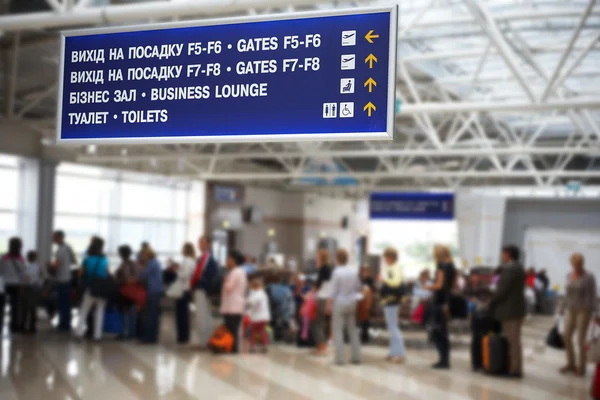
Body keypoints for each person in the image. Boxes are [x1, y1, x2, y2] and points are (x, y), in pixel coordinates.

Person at [489, 244, 526, 378]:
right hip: (516, 308)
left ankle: (515, 370)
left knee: (513, 341)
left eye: (503, 253)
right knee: (514, 340)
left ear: (508, 254)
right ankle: (514, 367)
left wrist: (491, 301)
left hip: (510, 309)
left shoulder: (510, 269)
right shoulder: (518, 267)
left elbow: (502, 290)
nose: (501, 256)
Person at [560, 253, 597, 377]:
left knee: (580, 339)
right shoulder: (569, 275)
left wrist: (597, 312)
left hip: (584, 310)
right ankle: (571, 363)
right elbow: (566, 293)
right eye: (574, 264)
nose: (576, 267)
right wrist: (562, 307)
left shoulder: (589, 276)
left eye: (579, 264)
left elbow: (593, 295)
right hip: (571, 309)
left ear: (582, 263)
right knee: (566, 335)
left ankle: (581, 368)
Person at [327, 248, 362, 366]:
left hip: (340, 302)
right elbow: (358, 287)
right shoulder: (354, 271)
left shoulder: (336, 272)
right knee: (352, 329)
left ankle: (340, 359)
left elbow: (332, 291)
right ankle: (356, 356)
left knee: (338, 329)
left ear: (337, 259)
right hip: (352, 301)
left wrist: (328, 304)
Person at [426, 244, 457, 369]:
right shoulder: (452, 266)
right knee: (443, 330)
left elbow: (439, 285)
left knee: (437, 330)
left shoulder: (441, 266)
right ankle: (445, 358)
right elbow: (452, 285)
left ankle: (443, 360)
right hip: (447, 300)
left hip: (438, 301)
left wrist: (427, 286)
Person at [75, 237, 110, 341]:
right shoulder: (104, 259)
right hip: (103, 289)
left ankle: (79, 333)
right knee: (99, 311)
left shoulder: (87, 259)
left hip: (91, 287)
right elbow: (107, 272)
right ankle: (97, 336)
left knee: (84, 310)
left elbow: (80, 273)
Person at [379, 247, 407, 363]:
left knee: (393, 327)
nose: (385, 259)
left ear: (390, 257)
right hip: (391, 300)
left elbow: (395, 282)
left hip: (391, 300)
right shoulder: (395, 267)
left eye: (386, 257)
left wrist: (383, 280)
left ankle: (400, 353)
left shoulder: (394, 268)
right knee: (391, 326)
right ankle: (393, 352)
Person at [191, 235, 218, 348]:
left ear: (208, 244)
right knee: (200, 316)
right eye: (199, 242)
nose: (200, 244)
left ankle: (203, 341)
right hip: (199, 289)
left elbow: (211, 275)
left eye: (202, 242)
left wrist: (202, 283)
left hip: (204, 289)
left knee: (203, 316)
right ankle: (202, 340)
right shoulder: (201, 258)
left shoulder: (209, 259)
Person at [220, 249, 248, 353]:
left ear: (234, 261)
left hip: (232, 306)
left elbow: (228, 287)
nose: (226, 261)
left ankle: (232, 349)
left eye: (228, 259)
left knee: (232, 330)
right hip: (235, 305)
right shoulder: (240, 272)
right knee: (233, 330)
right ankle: (232, 349)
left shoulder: (234, 273)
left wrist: (225, 279)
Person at [49, 230, 76, 332]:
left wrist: (50, 266)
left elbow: (57, 264)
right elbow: (74, 261)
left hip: (62, 279)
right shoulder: (68, 247)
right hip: (67, 277)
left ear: (60, 237)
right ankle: (66, 324)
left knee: (62, 304)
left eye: (54, 237)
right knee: (66, 303)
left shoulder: (60, 249)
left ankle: (63, 325)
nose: (52, 239)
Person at [169, 242, 196, 344]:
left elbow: (184, 275)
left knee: (182, 314)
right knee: (182, 314)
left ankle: (183, 336)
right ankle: (183, 336)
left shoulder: (187, 261)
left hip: (183, 289)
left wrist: (176, 270)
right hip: (185, 289)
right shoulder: (190, 261)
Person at [138, 246, 164, 344]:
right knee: (154, 315)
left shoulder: (151, 263)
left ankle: (147, 337)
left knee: (149, 315)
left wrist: (139, 271)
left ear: (146, 255)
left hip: (152, 291)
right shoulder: (156, 262)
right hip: (157, 290)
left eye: (142, 256)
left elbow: (144, 275)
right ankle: (153, 337)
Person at [0, 237, 26, 334]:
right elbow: (23, 273)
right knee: (15, 307)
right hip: (16, 285)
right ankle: (14, 327)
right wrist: (22, 286)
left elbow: (0, 271)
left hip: (4, 284)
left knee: (1, 307)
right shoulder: (21, 258)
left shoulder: (3, 257)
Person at [311, 248, 333, 355]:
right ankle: (324, 345)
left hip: (322, 298)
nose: (316, 258)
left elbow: (317, 285)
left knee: (317, 323)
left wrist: (310, 294)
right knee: (324, 323)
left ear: (320, 258)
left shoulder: (323, 269)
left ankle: (321, 346)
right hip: (330, 299)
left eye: (317, 257)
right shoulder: (330, 268)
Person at [114, 245, 139, 340]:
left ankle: (125, 333)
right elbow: (137, 276)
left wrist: (118, 279)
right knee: (132, 312)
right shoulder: (134, 263)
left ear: (121, 254)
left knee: (124, 312)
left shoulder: (125, 264)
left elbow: (126, 278)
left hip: (125, 291)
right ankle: (131, 333)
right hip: (135, 290)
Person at [246, 275, 271, 353]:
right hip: (264, 317)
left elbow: (251, 303)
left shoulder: (256, 294)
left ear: (254, 286)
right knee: (262, 331)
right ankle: (265, 345)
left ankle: (252, 346)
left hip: (257, 317)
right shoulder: (263, 294)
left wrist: (247, 303)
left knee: (253, 332)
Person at [21, 250, 41, 334]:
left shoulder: (28, 267)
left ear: (28, 258)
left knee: (25, 309)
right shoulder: (37, 266)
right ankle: (33, 327)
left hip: (28, 288)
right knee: (33, 308)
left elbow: (27, 278)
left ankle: (25, 327)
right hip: (36, 288)